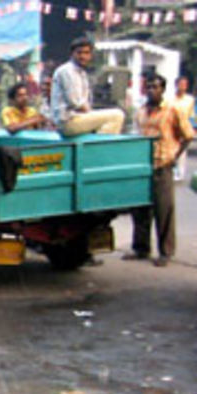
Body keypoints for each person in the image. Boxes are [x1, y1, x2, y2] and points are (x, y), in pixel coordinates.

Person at [124, 74, 194, 267]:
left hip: (162, 164)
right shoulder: (141, 111)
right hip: (143, 165)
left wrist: (174, 156)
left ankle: (166, 251)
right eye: (149, 87)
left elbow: (188, 135)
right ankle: (141, 247)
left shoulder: (173, 110)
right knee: (140, 209)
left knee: (163, 210)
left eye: (155, 87)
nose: (151, 90)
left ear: (163, 89)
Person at [51, 37, 124, 136]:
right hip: (68, 121)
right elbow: (75, 103)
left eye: (86, 53)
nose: (83, 56)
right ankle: (100, 149)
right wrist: (91, 114)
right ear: (72, 54)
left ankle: (97, 145)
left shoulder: (81, 73)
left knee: (109, 118)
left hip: (76, 118)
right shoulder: (67, 71)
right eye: (79, 53)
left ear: (90, 55)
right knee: (117, 115)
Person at [170, 76, 195, 182]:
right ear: (176, 85)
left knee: (182, 151)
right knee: (172, 150)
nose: (183, 87)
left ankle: (180, 173)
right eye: (181, 84)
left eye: (185, 85)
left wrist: (192, 128)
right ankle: (171, 170)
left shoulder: (190, 100)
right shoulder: (170, 100)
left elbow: (191, 115)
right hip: (172, 127)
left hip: (184, 127)